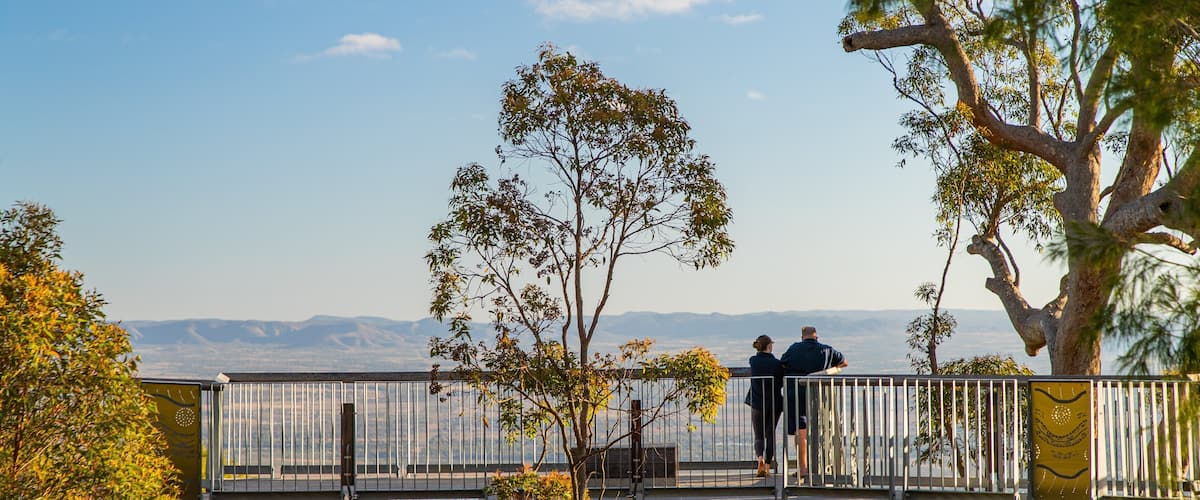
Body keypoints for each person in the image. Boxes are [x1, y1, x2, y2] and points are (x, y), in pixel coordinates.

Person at [779, 326, 848, 480]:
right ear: (816, 337)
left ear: (802, 337)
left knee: (800, 430)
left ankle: (803, 468)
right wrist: (831, 370)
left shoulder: (794, 348)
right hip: (818, 394)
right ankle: (821, 468)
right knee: (820, 428)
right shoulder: (827, 350)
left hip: (795, 392)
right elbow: (844, 363)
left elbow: (782, 364)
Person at [744, 334, 782, 477]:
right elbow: (780, 381)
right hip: (774, 403)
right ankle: (767, 466)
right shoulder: (777, 364)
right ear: (769, 346)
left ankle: (759, 459)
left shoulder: (753, 361)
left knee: (759, 435)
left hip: (757, 403)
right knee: (770, 433)